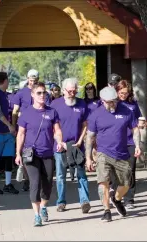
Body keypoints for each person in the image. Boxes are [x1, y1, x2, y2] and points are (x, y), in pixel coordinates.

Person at [86, 86, 141, 222]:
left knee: (127, 183)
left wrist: (138, 145)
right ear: (102, 100)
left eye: (114, 101)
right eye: (109, 102)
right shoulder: (95, 115)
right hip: (103, 152)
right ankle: (106, 210)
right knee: (103, 182)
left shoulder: (126, 111)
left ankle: (116, 199)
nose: (113, 104)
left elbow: (135, 130)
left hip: (122, 153)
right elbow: (90, 137)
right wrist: (88, 157)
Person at [15, 82, 63, 226]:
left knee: (47, 184)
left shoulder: (52, 112)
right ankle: (36, 215)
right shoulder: (26, 113)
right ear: (33, 95)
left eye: (44, 93)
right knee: (35, 184)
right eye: (39, 93)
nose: (42, 95)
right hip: (31, 154)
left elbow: (57, 131)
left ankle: (43, 206)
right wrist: (18, 153)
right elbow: (21, 134)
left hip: (47, 153)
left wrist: (59, 141)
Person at [50, 78, 91, 213]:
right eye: (70, 91)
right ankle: (61, 202)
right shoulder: (55, 104)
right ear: (63, 91)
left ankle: (84, 201)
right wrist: (59, 142)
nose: (73, 93)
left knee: (81, 174)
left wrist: (80, 141)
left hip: (77, 145)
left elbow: (85, 125)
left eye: (75, 91)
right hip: (60, 146)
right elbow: (52, 127)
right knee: (61, 175)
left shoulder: (82, 104)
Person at [11, 69, 51, 192]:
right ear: (27, 78)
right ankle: (28, 179)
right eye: (31, 79)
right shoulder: (21, 93)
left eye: (35, 79)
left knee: (38, 154)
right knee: (26, 153)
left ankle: (34, 180)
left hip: (41, 126)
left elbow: (49, 109)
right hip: (25, 126)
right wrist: (14, 127)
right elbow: (15, 111)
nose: (33, 81)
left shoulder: (44, 92)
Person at [109, 80, 142, 209]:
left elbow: (138, 119)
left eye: (126, 93)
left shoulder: (133, 104)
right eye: (121, 93)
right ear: (116, 92)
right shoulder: (113, 104)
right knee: (115, 170)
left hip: (130, 141)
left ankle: (129, 199)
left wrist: (141, 126)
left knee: (130, 170)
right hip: (116, 141)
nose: (123, 95)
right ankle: (115, 194)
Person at [0, 72, 19, 194]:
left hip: (7, 132)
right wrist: (9, 125)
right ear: (5, 80)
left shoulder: (6, 94)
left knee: (8, 158)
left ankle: (8, 184)